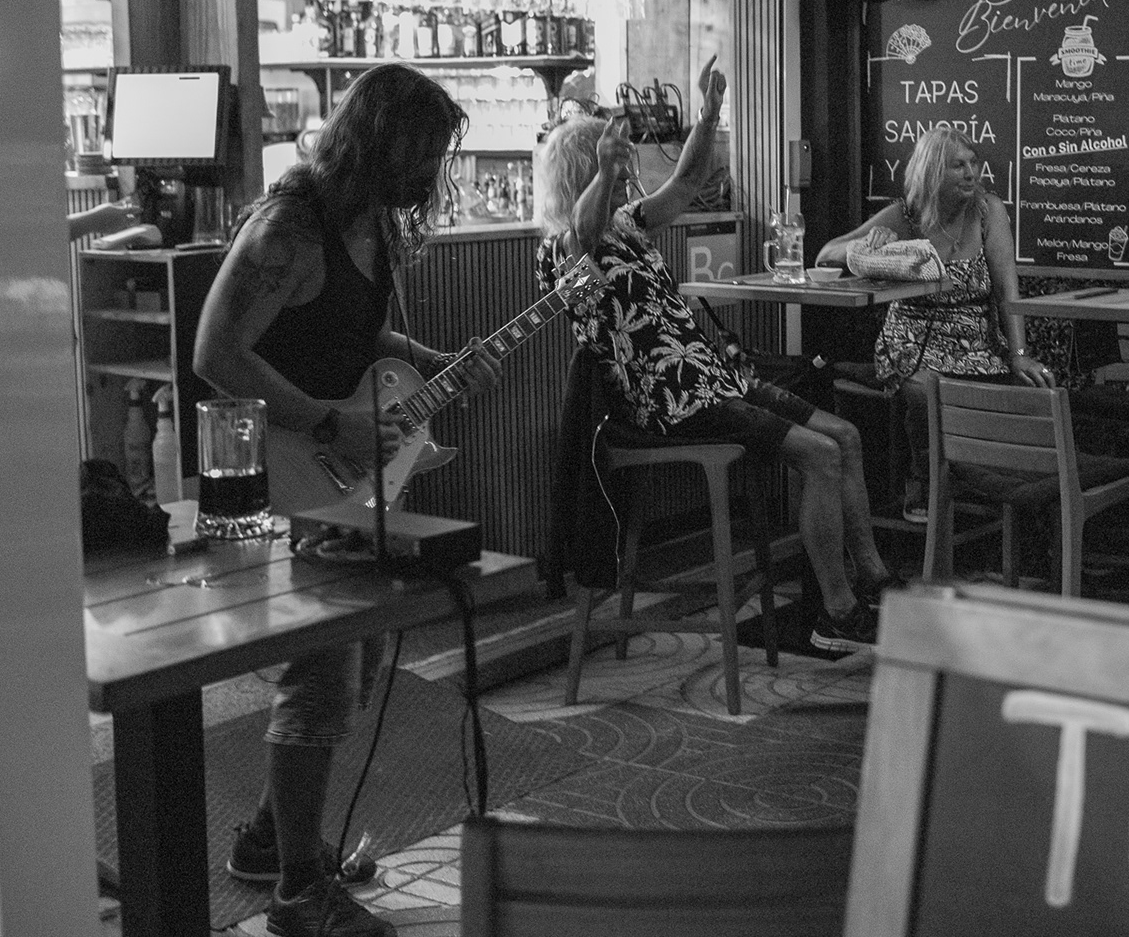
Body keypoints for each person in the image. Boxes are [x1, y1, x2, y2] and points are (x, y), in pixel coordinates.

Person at [193, 63, 503, 937]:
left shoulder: (372, 224)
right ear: (379, 145)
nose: (432, 173)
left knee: (353, 664)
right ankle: (297, 890)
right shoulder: (287, 229)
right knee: (323, 672)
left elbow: (353, 331)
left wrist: (433, 361)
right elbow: (215, 354)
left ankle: (268, 837)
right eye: (424, 154)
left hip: (333, 467)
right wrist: (331, 423)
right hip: (280, 471)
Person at [535, 56, 895, 653]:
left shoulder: (628, 224)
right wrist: (604, 170)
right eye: (615, 168)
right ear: (584, 172)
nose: (627, 178)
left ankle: (874, 579)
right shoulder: (562, 249)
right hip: (670, 401)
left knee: (845, 436)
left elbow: (685, 183)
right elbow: (584, 228)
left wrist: (707, 115)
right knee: (820, 456)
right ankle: (836, 613)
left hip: (715, 380)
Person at [816, 124, 1055, 517]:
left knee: (1033, 386)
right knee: (930, 392)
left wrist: (1019, 354)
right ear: (931, 172)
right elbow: (826, 253)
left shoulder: (988, 211)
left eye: (973, 163)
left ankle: (1007, 492)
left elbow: (1007, 290)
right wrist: (865, 245)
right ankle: (925, 484)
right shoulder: (904, 215)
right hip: (913, 343)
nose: (971, 173)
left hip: (978, 344)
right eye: (958, 166)